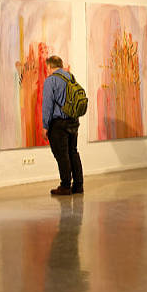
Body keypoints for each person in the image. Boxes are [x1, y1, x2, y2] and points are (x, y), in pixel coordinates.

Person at [41, 55, 84, 196]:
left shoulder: (51, 80)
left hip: (59, 123)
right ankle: (78, 185)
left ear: (49, 66)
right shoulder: (70, 77)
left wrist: (45, 126)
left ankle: (65, 186)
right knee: (73, 152)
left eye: (47, 67)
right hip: (73, 121)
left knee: (62, 155)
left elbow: (47, 105)